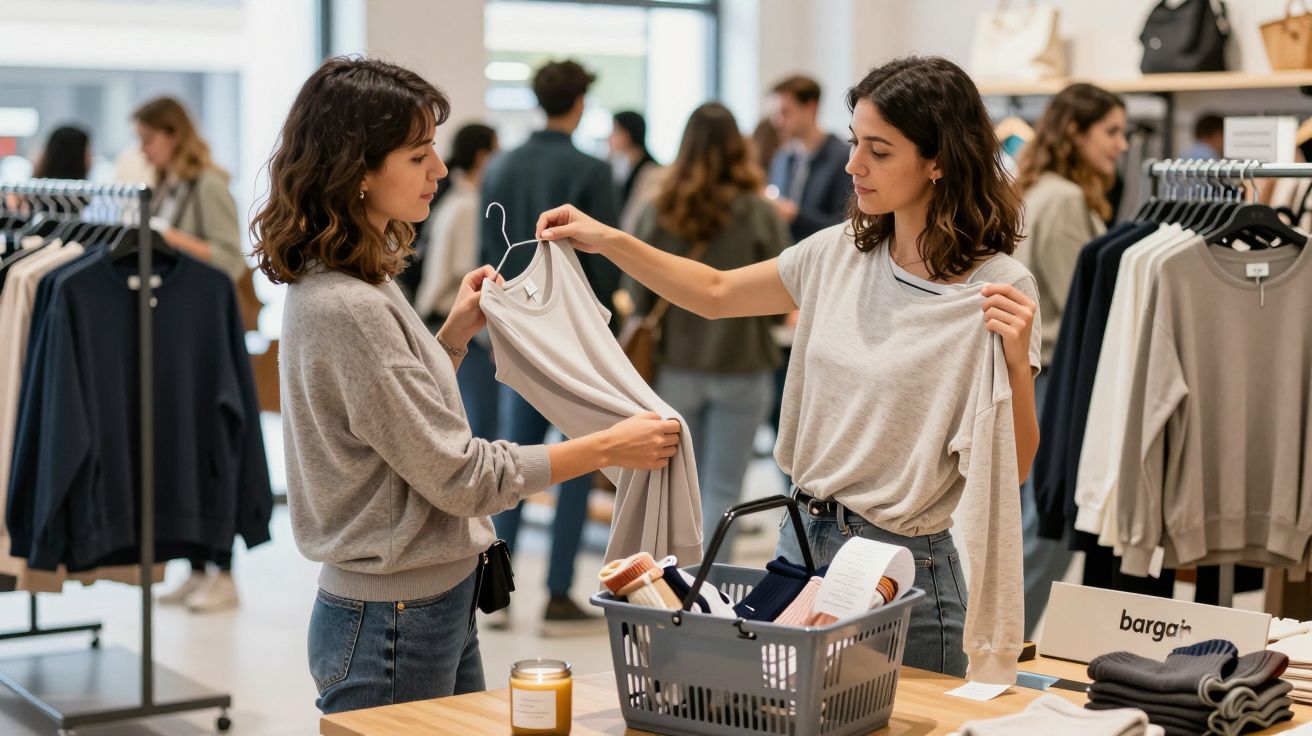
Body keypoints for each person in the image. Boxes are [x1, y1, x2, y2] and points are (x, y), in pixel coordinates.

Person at [535, 55, 1042, 684]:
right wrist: (608, 239)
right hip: (798, 545)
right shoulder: (837, 255)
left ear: (938, 160)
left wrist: (1018, 366)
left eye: (878, 151)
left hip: (902, 571)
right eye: (856, 142)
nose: (854, 164)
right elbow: (717, 292)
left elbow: (1011, 467)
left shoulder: (996, 289)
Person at [250, 57, 680, 713]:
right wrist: (606, 447)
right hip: (395, 616)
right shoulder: (350, 305)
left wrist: (449, 336)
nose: (441, 171)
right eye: (419, 154)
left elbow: (393, 420)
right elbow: (458, 474)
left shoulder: (353, 280)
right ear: (358, 170)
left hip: (421, 600)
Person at [478, 59, 620, 633]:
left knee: (514, 459)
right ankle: (559, 591)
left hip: (515, 327)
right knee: (577, 460)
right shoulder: (592, 170)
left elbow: (486, 249)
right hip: (576, 335)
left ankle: (496, 590)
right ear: (580, 103)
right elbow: (603, 261)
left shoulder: (502, 166)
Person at [625, 103, 789, 558]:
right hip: (744, 367)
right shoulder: (759, 212)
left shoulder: (659, 210)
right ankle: (710, 593)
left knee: (676, 488)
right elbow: (782, 296)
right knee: (722, 489)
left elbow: (637, 297)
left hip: (676, 366)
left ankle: (673, 590)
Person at [1013, 84, 1127, 638]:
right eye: (1111, 131)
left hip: (1036, 379)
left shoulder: (1040, 189)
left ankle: (1000, 643)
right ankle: (1001, 647)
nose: (1122, 144)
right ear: (1075, 133)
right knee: (1047, 532)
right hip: (1056, 382)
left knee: (1036, 528)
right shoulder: (1062, 199)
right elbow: (1075, 307)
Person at [136, 96, 250, 613]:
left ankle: (222, 570)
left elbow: (229, 258)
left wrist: (169, 237)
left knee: (211, 446)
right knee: (183, 446)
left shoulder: (208, 184)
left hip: (208, 336)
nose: (144, 149)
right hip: (176, 336)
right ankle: (196, 567)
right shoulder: (165, 185)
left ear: (173, 134)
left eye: (148, 138)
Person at [414, 123, 500, 442]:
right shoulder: (466, 206)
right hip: (460, 327)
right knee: (479, 426)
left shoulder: (454, 200)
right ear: (482, 156)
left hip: (446, 321)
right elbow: (469, 275)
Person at [765, 75, 850, 242]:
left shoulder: (843, 159)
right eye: (776, 114)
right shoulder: (783, 158)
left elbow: (845, 228)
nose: (778, 121)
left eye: (785, 112)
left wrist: (794, 216)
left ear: (811, 108)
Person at [609, 111, 663, 234]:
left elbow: (636, 218)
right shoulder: (622, 165)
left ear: (628, 133)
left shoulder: (652, 171)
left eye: (615, 131)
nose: (610, 137)